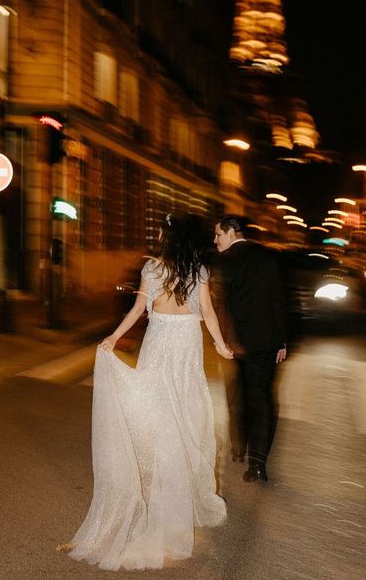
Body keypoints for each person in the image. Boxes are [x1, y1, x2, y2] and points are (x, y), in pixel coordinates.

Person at [68, 213, 233, 571]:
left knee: (156, 420)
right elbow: (207, 312)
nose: (157, 233)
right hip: (186, 347)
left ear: (167, 237)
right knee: (186, 421)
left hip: (160, 344)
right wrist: (219, 344)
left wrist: (114, 336)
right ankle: (177, 495)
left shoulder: (152, 269)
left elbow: (139, 309)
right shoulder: (200, 271)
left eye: (161, 230)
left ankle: (157, 489)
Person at [214, 214, 287, 485]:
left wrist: (222, 339)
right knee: (261, 399)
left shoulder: (223, 261)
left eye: (218, 234)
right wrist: (281, 340)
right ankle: (258, 464)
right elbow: (278, 300)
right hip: (265, 341)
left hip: (237, 342)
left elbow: (221, 304)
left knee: (238, 394)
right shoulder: (269, 257)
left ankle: (237, 447)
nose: (215, 240)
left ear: (233, 233)